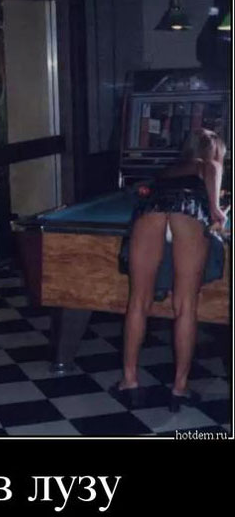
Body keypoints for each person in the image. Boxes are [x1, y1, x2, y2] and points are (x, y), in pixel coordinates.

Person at [114, 129, 227, 413]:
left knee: (138, 302)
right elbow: (212, 172)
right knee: (185, 306)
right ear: (214, 150)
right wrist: (217, 210)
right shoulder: (208, 163)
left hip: (150, 211)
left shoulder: (170, 168)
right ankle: (179, 387)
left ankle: (129, 381)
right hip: (188, 211)